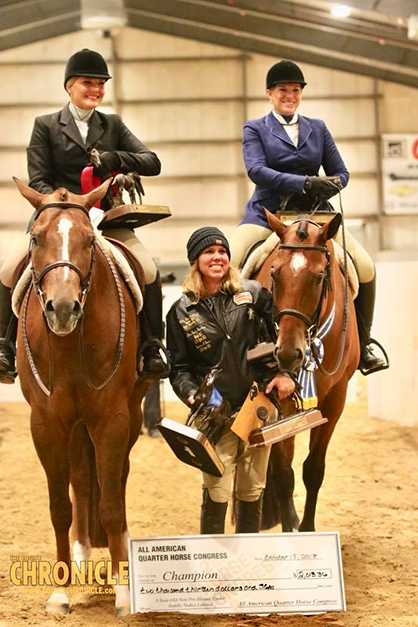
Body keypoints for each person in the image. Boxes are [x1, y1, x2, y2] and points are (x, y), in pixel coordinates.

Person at [0, 48, 166, 382]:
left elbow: (152, 161)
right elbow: (39, 180)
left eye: (101, 84)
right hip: (56, 220)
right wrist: (72, 204)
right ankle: (4, 346)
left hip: (103, 221)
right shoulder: (45, 125)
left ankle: (152, 346)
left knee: (148, 270)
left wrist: (114, 159)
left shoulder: (113, 125)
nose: (96, 89)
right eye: (88, 82)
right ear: (70, 86)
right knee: (7, 270)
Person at [229, 59, 386, 375]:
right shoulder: (255, 128)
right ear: (270, 93)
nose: (290, 95)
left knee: (366, 267)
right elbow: (256, 170)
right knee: (230, 261)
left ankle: (365, 343)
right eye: (283, 90)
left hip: (315, 217)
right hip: (270, 216)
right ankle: (230, 343)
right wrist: (302, 182)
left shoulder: (318, 127)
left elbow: (342, 172)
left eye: (295, 90)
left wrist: (330, 184)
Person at [166, 227, 295, 534]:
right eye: (209, 252)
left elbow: (284, 336)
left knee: (252, 488)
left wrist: (284, 373)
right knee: (217, 488)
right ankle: (212, 560)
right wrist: (195, 397)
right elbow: (179, 368)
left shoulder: (253, 294)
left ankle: (246, 558)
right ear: (196, 260)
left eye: (222, 251)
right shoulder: (181, 312)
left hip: (257, 406)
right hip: (215, 415)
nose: (218, 257)